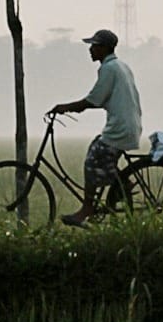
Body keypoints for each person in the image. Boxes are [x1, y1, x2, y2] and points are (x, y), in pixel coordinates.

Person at [49, 28, 142, 227]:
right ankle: (121, 183)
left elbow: (93, 100)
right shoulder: (120, 66)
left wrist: (65, 108)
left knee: (92, 161)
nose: (90, 50)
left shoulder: (109, 69)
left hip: (119, 129)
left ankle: (88, 208)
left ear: (105, 48)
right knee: (97, 149)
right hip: (128, 126)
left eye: (94, 46)